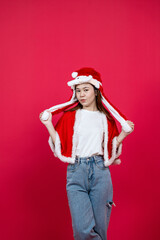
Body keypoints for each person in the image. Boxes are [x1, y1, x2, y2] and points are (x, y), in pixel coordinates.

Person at [39, 67, 134, 240]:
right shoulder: (70, 115)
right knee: (83, 231)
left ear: (96, 91)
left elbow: (110, 149)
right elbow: (59, 144)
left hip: (100, 172)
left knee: (100, 230)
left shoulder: (105, 118)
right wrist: (48, 124)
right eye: (78, 90)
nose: (81, 94)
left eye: (86, 89)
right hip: (76, 172)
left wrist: (124, 134)